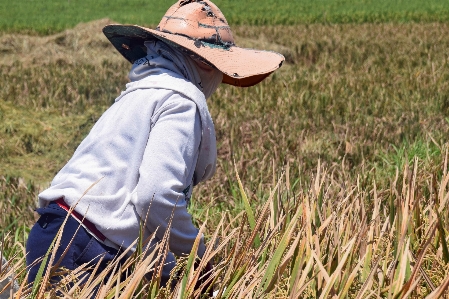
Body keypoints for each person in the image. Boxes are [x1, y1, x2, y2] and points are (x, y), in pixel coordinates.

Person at [26, 0, 284, 293]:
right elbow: (155, 198)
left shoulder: (136, 95)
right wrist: (199, 256)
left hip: (52, 237)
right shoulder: (182, 99)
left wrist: (168, 270)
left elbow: (131, 210)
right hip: (83, 249)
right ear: (202, 63)